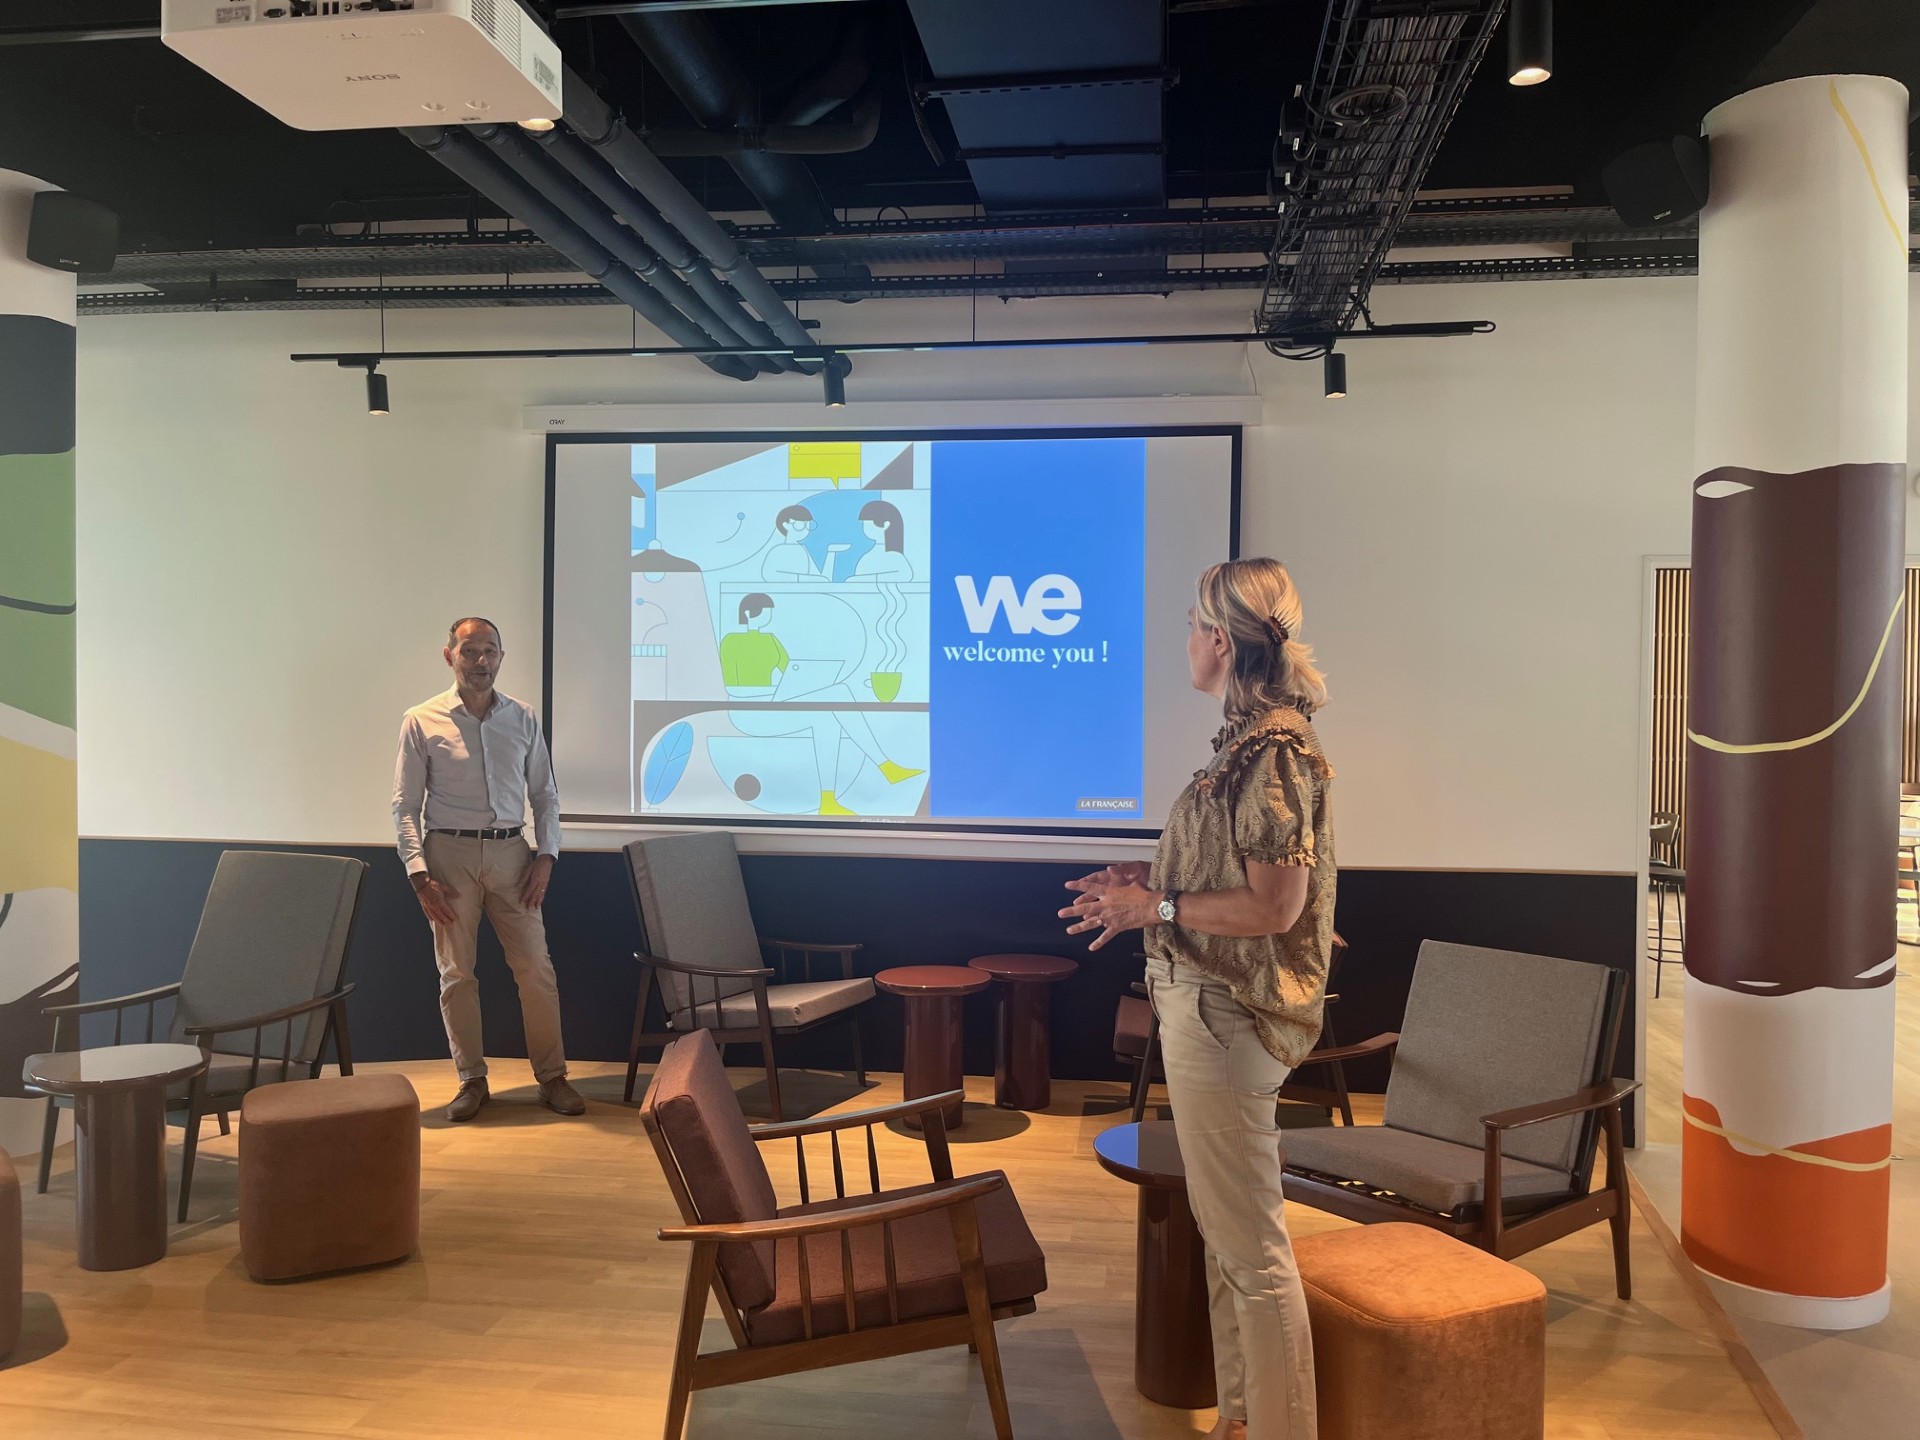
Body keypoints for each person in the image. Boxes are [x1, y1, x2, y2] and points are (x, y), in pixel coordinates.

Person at [1059, 557, 1334, 1440]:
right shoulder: (1249, 743)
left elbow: (1274, 907)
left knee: (1252, 1252)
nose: (1184, 640)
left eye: (1190, 625)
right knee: (1228, 1240)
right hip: (1207, 1010)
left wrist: (1157, 906)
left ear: (1220, 639)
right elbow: (1238, 876)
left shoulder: (1274, 751)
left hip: (1223, 1017)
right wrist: (1146, 884)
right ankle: (1242, 1421)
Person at [392, 617, 587, 1123]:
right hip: (447, 857)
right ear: (449, 655)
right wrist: (419, 874)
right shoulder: (421, 719)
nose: (481, 661)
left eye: (490, 651)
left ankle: (553, 1077)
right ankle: (471, 1080)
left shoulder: (522, 717)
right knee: (457, 973)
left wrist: (546, 856)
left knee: (536, 968)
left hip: (512, 855)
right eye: (470, 650)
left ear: (501, 656)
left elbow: (545, 795)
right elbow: (405, 805)